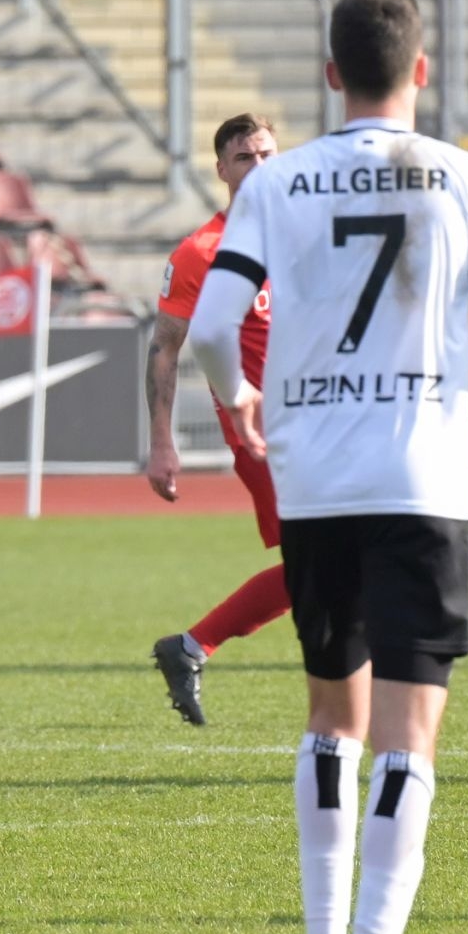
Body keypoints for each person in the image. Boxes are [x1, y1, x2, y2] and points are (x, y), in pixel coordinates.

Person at [188, 0, 468, 934]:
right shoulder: (465, 176)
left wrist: (239, 396)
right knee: (408, 736)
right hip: (422, 480)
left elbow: (212, 328)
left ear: (330, 74)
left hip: (316, 483)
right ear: (420, 70)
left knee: (329, 719)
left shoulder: (276, 181)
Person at [144, 113, 284, 726]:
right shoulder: (202, 252)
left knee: (333, 565)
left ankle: (190, 647)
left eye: (268, 154)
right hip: (262, 437)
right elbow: (165, 347)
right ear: (222, 169)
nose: (259, 166)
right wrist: (162, 443)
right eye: (245, 157)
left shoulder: (310, 235)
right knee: (328, 565)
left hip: (326, 424)